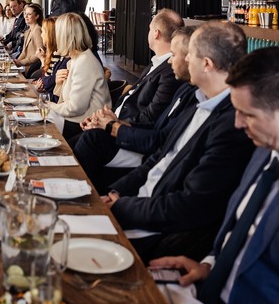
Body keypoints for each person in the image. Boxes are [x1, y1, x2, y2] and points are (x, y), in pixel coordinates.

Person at [149, 46, 279, 304]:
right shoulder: (264, 150)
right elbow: (241, 234)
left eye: (247, 114)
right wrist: (210, 265)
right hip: (208, 303)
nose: (237, 123)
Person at [102, 22, 254, 263]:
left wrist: (122, 207)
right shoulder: (197, 99)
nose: (184, 59)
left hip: (152, 231)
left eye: (190, 53)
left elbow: (189, 204)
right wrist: (115, 192)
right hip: (135, 207)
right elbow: (159, 157)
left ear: (207, 64)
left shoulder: (232, 124)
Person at [75, 26, 194, 193]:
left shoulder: (182, 86)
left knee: (91, 139)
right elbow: (155, 125)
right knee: (87, 138)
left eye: (173, 55)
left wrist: (114, 126)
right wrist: (112, 121)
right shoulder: (186, 89)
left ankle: (73, 191)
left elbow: (159, 136)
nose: (169, 61)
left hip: (148, 153)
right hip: (137, 135)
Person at [47, 13, 111, 141]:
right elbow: (64, 98)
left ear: (64, 36)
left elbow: (75, 108)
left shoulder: (84, 61)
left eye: (56, 33)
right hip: (76, 119)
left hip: (84, 124)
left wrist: (47, 105)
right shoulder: (76, 59)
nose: (54, 37)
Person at [16, 4, 44, 70]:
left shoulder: (37, 30)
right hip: (25, 66)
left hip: (32, 67)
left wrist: (21, 62)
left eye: (29, 14)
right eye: (25, 14)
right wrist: (16, 61)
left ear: (37, 16)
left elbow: (40, 52)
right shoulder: (28, 31)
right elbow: (23, 52)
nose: (26, 16)